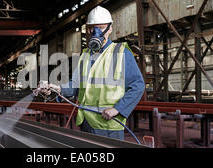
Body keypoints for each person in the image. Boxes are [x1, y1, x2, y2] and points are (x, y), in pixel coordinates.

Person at [39, 6, 145, 140]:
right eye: (91, 28)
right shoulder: (85, 55)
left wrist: (117, 109)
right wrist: (56, 89)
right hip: (86, 122)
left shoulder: (121, 52)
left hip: (108, 124)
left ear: (110, 28)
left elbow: (138, 85)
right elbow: (75, 86)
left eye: (100, 27)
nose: (95, 32)